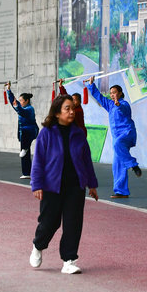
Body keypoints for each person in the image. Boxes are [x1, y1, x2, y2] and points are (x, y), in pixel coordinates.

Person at [30, 94, 98, 274]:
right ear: (57, 112)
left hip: (75, 186)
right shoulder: (47, 132)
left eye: (73, 108)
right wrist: (36, 184)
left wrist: (91, 184)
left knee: (73, 223)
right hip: (52, 186)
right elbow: (38, 161)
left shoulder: (79, 133)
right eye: (67, 108)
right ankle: (38, 245)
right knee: (49, 223)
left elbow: (86, 160)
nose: (71, 112)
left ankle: (69, 260)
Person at [88, 77, 140, 198]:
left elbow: (124, 110)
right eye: (111, 93)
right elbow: (99, 97)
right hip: (118, 138)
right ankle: (121, 191)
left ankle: (133, 164)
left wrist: (118, 105)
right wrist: (91, 84)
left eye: (114, 92)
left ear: (120, 93)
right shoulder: (110, 105)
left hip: (127, 134)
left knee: (117, 144)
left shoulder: (124, 104)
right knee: (117, 164)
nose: (112, 95)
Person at [5, 82, 38, 179]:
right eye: (19, 101)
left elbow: (22, 112)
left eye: (21, 101)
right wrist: (8, 90)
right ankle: (26, 173)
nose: (20, 102)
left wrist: (17, 106)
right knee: (25, 154)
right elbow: (14, 102)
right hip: (23, 133)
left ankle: (25, 147)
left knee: (24, 149)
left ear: (27, 101)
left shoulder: (30, 109)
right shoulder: (21, 107)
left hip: (30, 131)